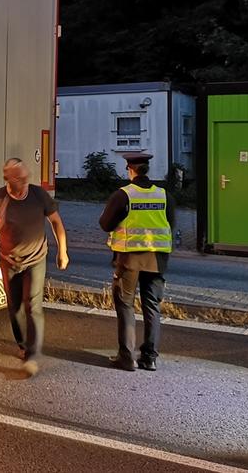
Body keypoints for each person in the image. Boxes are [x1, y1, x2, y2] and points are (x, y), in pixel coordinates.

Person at [0, 158, 69, 377]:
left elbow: (56, 222)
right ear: (8, 178)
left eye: (26, 176)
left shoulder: (38, 195)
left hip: (36, 258)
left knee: (33, 306)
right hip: (9, 260)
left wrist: (62, 251)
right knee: (15, 306)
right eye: (19, 178)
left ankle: (32, 354)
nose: (25, 180)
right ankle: (22, 344)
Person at [98, 153, 174, 372]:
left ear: (130, 169)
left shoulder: (123, 195)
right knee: (152, 306)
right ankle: (149, 358)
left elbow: (105, 224)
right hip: (157, 260)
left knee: (125, 305)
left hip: (129, 259)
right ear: (147, 169)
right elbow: (171, 223)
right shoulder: (164, 195)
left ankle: (127, 357)